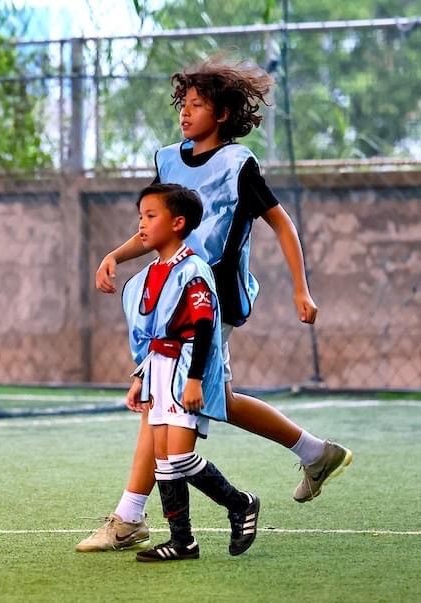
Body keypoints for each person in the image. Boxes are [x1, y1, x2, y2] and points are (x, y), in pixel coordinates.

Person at [77, 56, 351, 553]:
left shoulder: (238, 165)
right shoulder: (167, 159)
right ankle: (316, 452)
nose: (185, 112)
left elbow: (282, 224)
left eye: (197, 104)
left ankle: (129, 517)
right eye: (183, 103)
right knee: (214, 399)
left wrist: (300, 288)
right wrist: (116, 254)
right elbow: (158, 226)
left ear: (222, 113)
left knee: (160, 401)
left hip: (210, 301)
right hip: (170, 295)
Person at [121, 183, 259, 562]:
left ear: (178, 223)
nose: (142, 225)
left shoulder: (193, 269)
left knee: (179, 457)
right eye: (140, 217)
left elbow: (201, 325)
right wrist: (139, 377)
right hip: (160, 370)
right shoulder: (153, 271)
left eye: (151, 216)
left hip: (185, 369)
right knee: (164, 459)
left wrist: (195, 378)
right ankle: (183, 541)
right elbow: (155, 332)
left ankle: (241, 502)